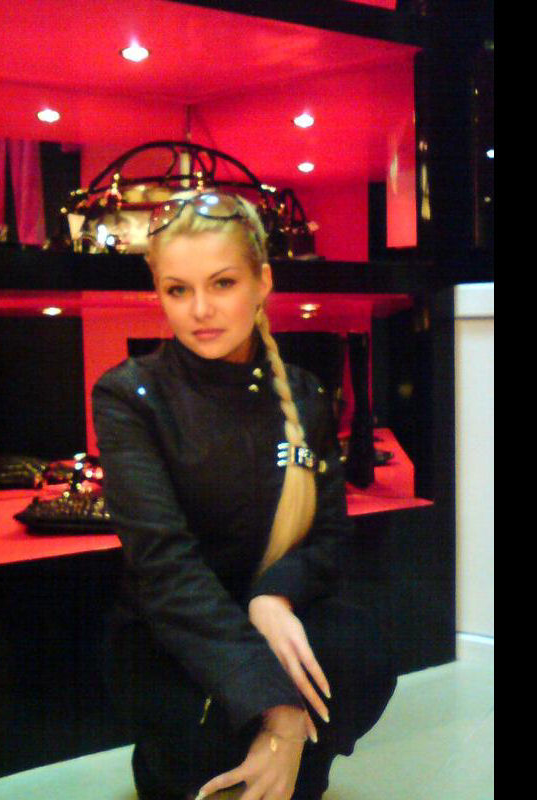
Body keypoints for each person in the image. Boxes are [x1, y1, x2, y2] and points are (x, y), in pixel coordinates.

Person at [92, 191, 396, 800]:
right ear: (158, 291)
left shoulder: (305, 395)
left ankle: (290, 765)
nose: (201, 310)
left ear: (262, 282)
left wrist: (274, 596)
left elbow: (330, 535)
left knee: (363, 653)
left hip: (274, 614)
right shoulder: (128, 396)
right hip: (174, 628)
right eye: (177, 290)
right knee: (210, 739)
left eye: (223, 283)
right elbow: (164, 568)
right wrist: (278, 711)